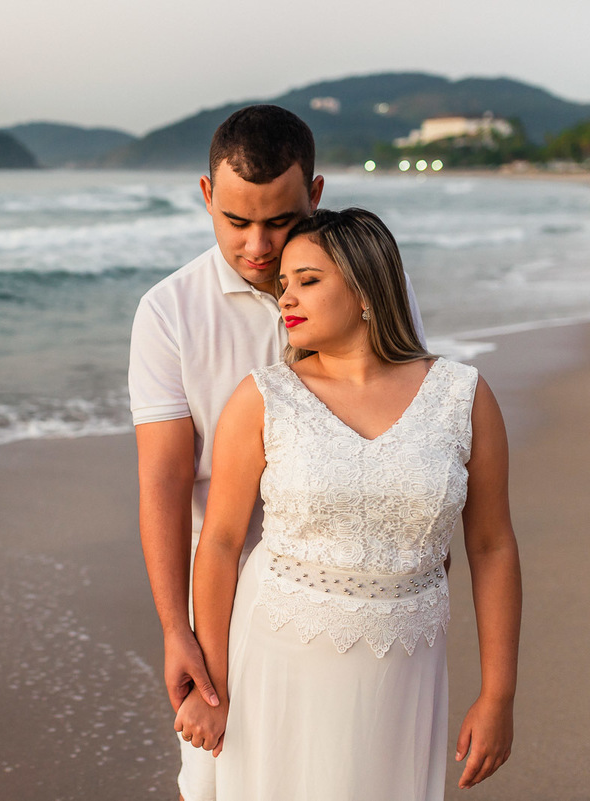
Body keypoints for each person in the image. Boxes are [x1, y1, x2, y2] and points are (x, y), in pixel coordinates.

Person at [128, 105, 425, 800]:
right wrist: (179, 628)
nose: (258, 246)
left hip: (358, 597)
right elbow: (165, 483)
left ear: (315, 196)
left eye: (280, 220)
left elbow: (409, 418)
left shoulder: (365, 294)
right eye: (236, 221)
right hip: (229, 596)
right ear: (206, 196)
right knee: (220, 779)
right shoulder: (169, 313)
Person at [173, 208, 522, 799]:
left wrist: (498, 696)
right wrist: (214, 692)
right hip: (279, 656)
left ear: (365, 289)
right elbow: (221, 545)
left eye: (308, 280)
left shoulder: (462, 396)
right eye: (283, 283)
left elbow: (491, 547)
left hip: (405, 665)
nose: (286, 298)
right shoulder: (264, 398)